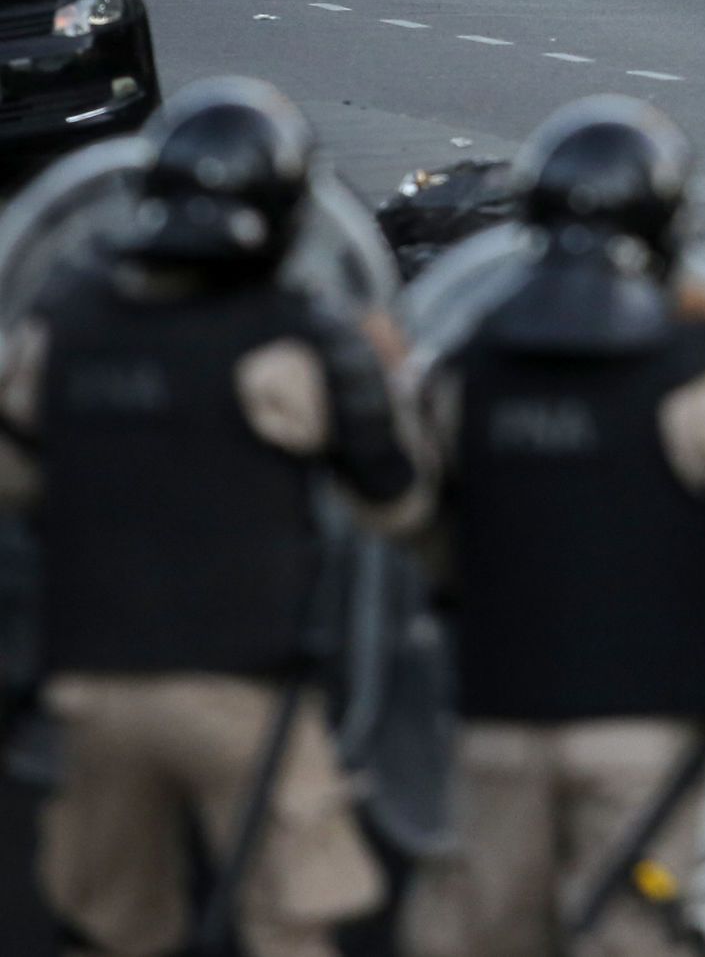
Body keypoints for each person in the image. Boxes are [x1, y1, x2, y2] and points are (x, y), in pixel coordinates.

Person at [0, 79, 426, 957]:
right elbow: (394, 494)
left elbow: (16, 472)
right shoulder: (290, 338)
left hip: (90, 682)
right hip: (243, 687)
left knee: (111, 922)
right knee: (290, 913)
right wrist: (390, 377)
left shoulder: (65, 322)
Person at [402, 97, 705, 957]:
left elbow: (414, 513)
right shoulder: (691, 369)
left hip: (499, 713)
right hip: (645, 722)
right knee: (630, 933)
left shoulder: (472, 363)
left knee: (486, 931)